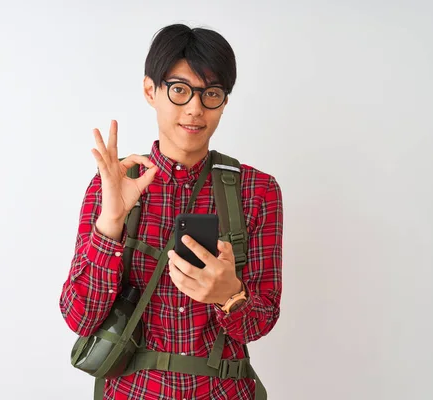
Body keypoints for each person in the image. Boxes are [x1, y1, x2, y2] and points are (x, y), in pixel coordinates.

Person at [60, 23, 283, 400]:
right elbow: (80, 317)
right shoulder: (112, 182)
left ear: (224, 101)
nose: (195, 109)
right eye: (179, 90)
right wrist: (111, 222)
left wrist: (229, 296)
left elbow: (260, 322)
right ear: (151, 90)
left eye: (211, 94)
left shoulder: (257, 191)